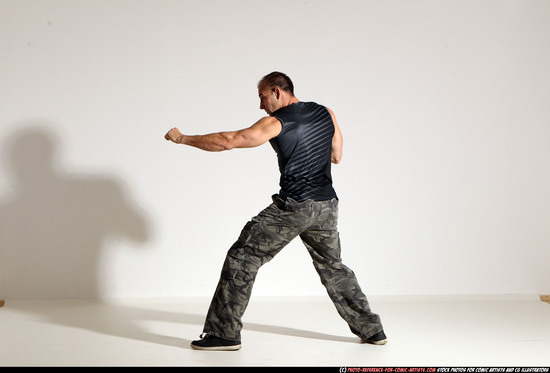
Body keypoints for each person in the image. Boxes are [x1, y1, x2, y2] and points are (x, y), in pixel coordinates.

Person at [164, 72, 386, 351]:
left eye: (262, 96)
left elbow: (229, 140)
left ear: (277, 91)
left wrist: (182, 138)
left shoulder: (276, 122)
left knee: (242, 256)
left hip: (295, 206)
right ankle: (372, 330)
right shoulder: (325, 112)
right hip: (327, 206)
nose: (261, 105)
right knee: (333, 267)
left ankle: (224, 334)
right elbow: (336, 155)